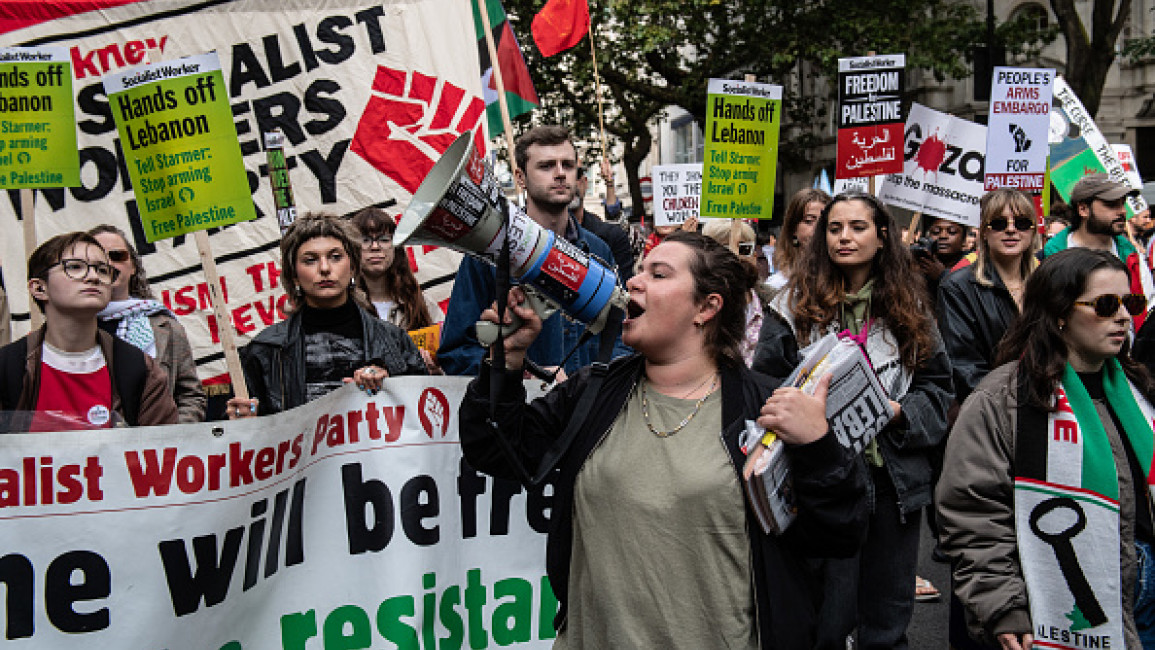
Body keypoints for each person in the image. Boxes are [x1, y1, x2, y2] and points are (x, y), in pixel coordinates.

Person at [460, 231, 867, 648]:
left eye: (658, 274)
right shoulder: (594, 391)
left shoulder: (764, 408)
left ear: (706, 308)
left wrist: (819, 447)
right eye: (638, 272)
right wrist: (504, 363)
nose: (634, 282)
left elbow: (838, 535)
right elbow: (495, 450)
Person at [752, 191, 954, 649]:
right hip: (821, 483)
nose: (844, 237)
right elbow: (762, 385)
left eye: (857, 227)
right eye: (834, 227)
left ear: (882, 237)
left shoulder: (912, 307)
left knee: (886, 619)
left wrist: (901, 413)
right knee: (827, 618)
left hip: (892, 482)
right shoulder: (791, 306)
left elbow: (940, 388)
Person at [937, 248, 1155, 650]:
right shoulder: (1001, 400)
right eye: (1106, 305)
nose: (1124, 316)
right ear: (1059, 313)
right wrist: (1003, 606)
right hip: (1056, 602)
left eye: (1132, 303)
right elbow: (973, 514)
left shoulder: (1138, 389)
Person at [439, 125, 625, 378]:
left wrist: (587, 383)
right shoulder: (489, 256)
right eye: (546, 166)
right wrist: (519, 373)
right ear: (520, 178)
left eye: (568, 165)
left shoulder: (598, 250)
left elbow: (621, 339)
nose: (560, 174)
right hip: (521, 412)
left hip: (588, 412)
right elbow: (457, 352)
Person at [227, 215, 426, 419]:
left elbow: (423, 413)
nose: (324, 268)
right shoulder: (265, 351)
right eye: (310, 260)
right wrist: (247, 419)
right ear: (294, 274)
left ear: (353, 267)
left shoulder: (394, 342)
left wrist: (389, 382)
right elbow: (248, 429)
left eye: (335, 257)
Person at [0, 232, 178, 430]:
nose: (94, 277)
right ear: (39, 288)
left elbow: (163, 451)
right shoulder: (8, 368)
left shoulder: (140, 369)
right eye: (75, 267)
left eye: (103, 270)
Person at [88, 224, 206, 423]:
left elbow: (190, 395)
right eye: (98, 259)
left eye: (117, 256)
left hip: (155, 449)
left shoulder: (166, 328)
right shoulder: (71, 327)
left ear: (133, 266)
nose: (108, 263)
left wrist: (174, 434)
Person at [938, 189, 1040, 404]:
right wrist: (1010, 406)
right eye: (999, 224)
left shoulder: (1049, 282)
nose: (1011, 230)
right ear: (984, 231)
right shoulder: (958, 287)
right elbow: (964, 367)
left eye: (1021, 223)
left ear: (1033, 231)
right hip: (995, 410)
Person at [1044, 173, 1153, 327]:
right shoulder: (1052, 257)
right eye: (1111, 204)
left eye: (1122, 203)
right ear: (1083, 209)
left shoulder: (1132, 256)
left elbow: (1148, 309)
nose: (1122, 211)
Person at [351, 207, 444, 375]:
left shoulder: (422, 303)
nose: (375, 247)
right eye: (365, 240)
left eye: (384, 239)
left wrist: (436, 370)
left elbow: (449, 358)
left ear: (396, 246)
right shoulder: (345, 306)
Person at [702, 219, 767, 366]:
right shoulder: (696, 308)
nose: (735, 256)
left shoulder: (778, 307)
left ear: (754, 256)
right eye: (724, 250)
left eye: (744, 249)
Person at [571, 159, 635, 282]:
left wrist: (610, 183)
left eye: (575, 174)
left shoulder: (611, 237)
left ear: (585, 183)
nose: (568, 180)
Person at [768, 188, 830, 291]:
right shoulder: (777, 285)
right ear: (793, 228)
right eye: (809, 221)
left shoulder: (845, 281)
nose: (817, 229)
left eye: (823, 222)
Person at [912, 216, 969, 303]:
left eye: (952, 232)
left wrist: (942, 276)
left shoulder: (973, 267)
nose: (943, 236)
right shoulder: (919, 263)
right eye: (936, 232)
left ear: (964, 240)